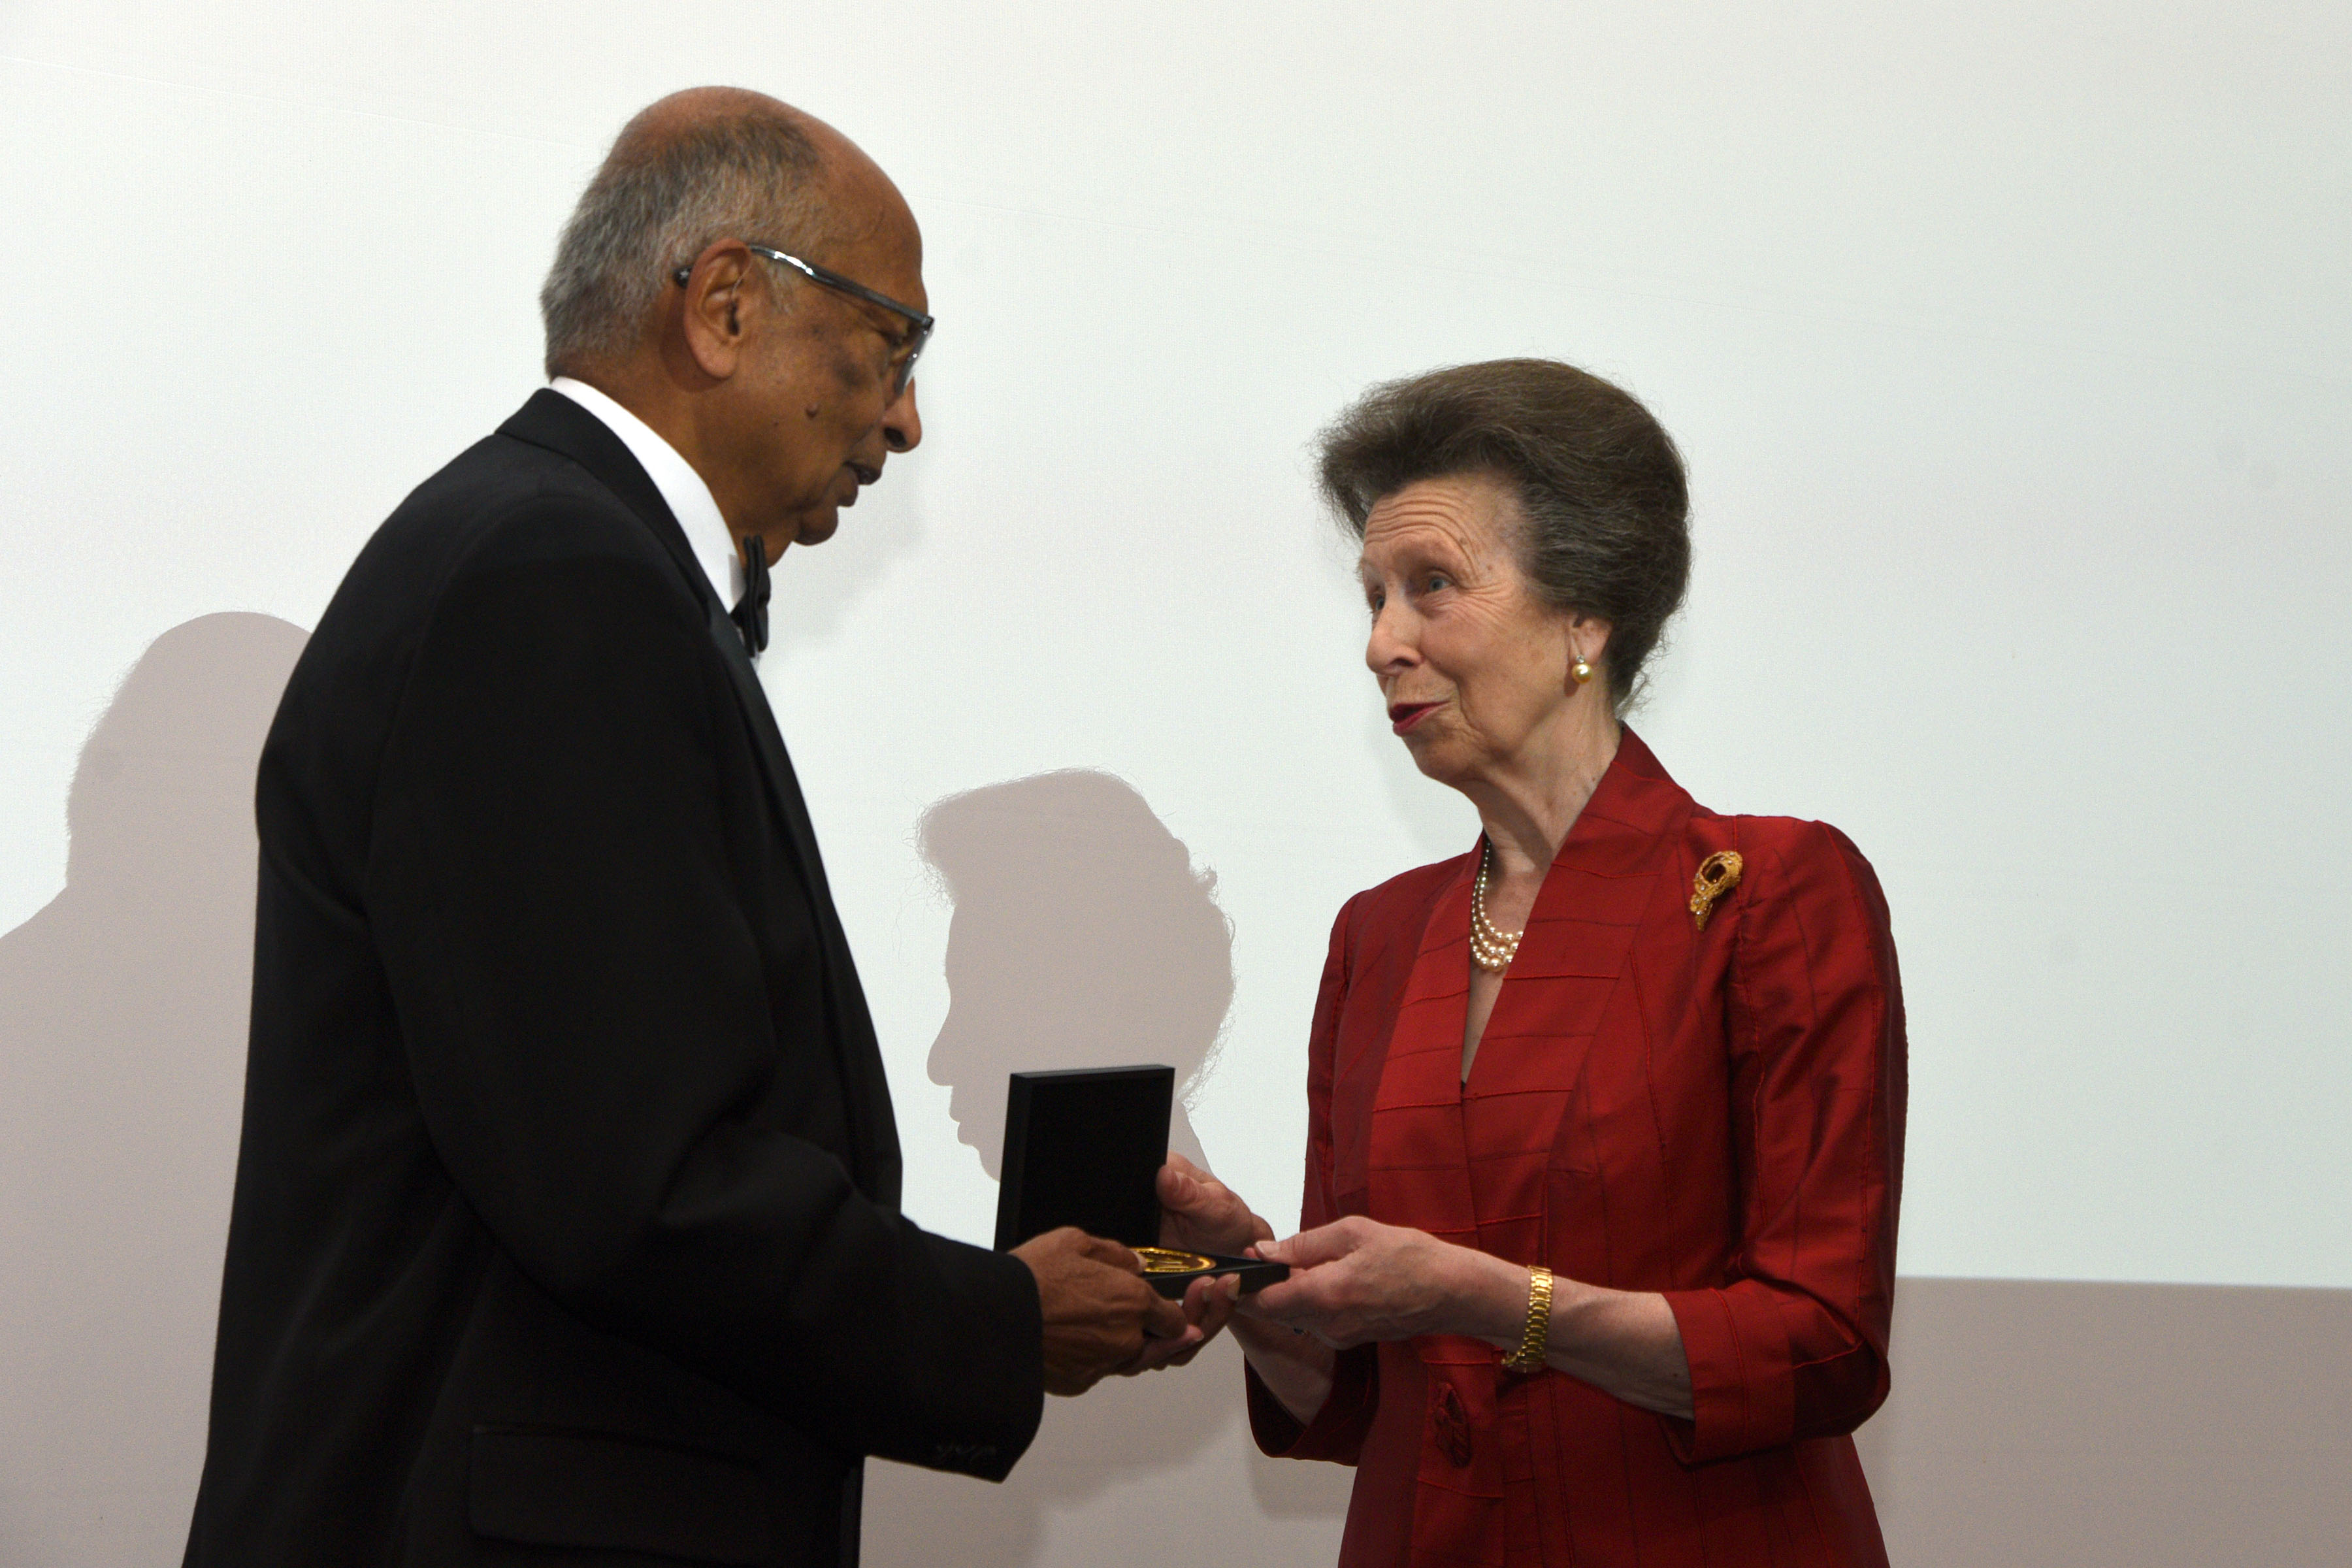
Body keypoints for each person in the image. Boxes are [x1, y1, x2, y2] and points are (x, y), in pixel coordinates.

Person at [182, 88, 1194, 1568]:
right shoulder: (552, 574)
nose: (906, 420)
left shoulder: (559, 556)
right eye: (893, 347)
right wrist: (994, 1323)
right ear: (723, 306)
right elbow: (636, 1185)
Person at [1160, 359, 1906, 1565]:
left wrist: (1485, 1299)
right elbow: (1355, 1405)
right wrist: (1255, 1283)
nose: (1382, 645)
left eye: (1432, 587)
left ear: (1586, 616)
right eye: (1373, 597)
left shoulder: (1773, 893)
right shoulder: (1378, 937)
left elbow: (1821, 1345)